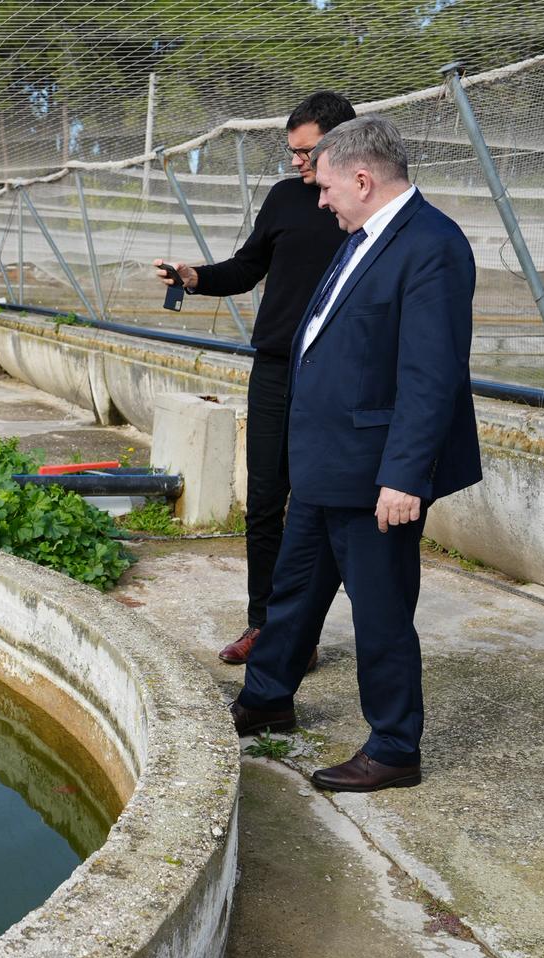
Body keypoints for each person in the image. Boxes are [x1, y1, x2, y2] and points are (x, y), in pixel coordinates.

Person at [228, 114, 482, 792]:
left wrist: (405, 476)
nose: (320, 200)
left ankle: (395, 747)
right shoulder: (362, 238)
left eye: (327, 187)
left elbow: (432, 375)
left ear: (363, 179)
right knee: (293, 592)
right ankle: (267, 696)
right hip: (326, 463)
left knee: (380, 612)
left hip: (375, 475)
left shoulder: (432, 245)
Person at [154, 91, 356, 667]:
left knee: (318, 506)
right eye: (292, 151)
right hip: (274, 368)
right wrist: (195, 277)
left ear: (341, 144)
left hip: (335, 375)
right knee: (265, 502)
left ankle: (303, 634)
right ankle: (263, 625)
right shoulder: (286, 198)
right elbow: (248, 267)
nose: (295, 161)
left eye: (305, 151)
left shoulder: (362, 207)